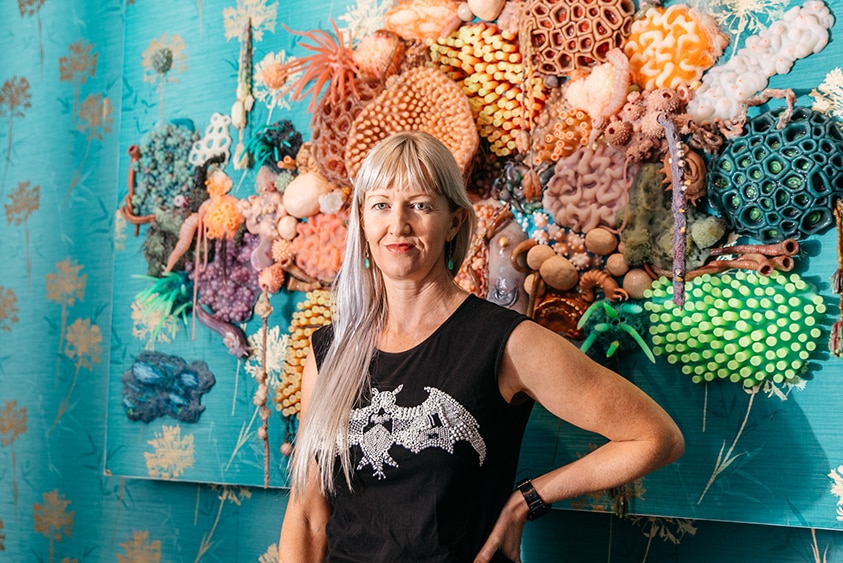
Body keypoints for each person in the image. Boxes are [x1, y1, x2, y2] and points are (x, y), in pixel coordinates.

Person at [278, 130, 684, 563]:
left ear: (453, 221)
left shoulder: (505, 342)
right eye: (381, 205)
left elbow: (656, 437)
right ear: (362, 219)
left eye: (419, 205)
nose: (398, 225)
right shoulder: (330, 351)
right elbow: (307, 514)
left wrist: (528, 499)